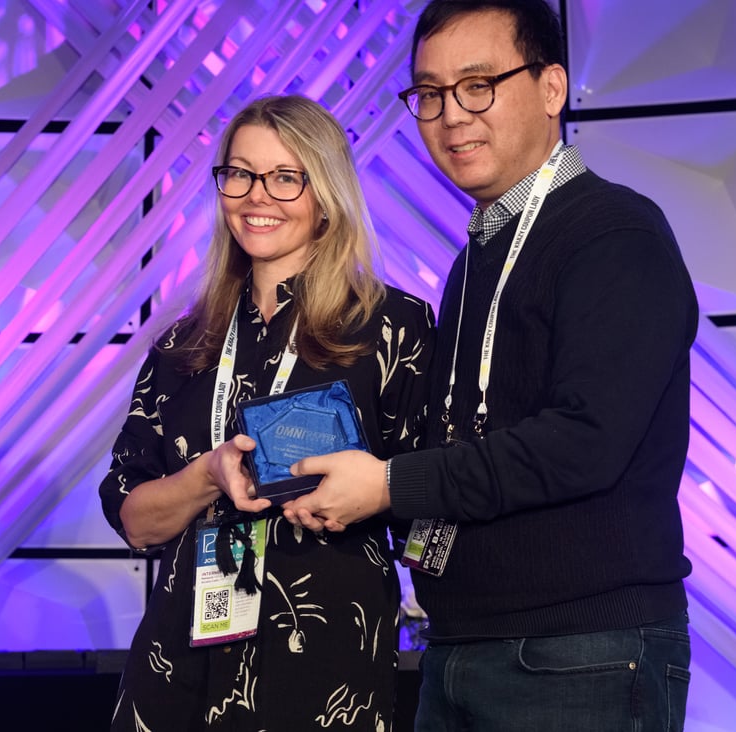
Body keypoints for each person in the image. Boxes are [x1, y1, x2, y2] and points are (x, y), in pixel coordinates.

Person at [280, 1, 698, 729]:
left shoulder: (615, 232)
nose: (450, 115)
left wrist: (384, 484)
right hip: (464, 643)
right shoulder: (475, 256)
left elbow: (584, 443)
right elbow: (470, 436)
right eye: (430, 94)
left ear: (551, 87)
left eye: (478, 85)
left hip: (580, 650)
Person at [98, 94, 435, 731]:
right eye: (239, 173)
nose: (256, 195)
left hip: (327, 666)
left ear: (326, 192)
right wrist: (206, 476)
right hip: (180, 667)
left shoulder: (392, 328)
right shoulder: (183, 346)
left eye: (285, 177)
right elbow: (133, 518)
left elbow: (431, 499)